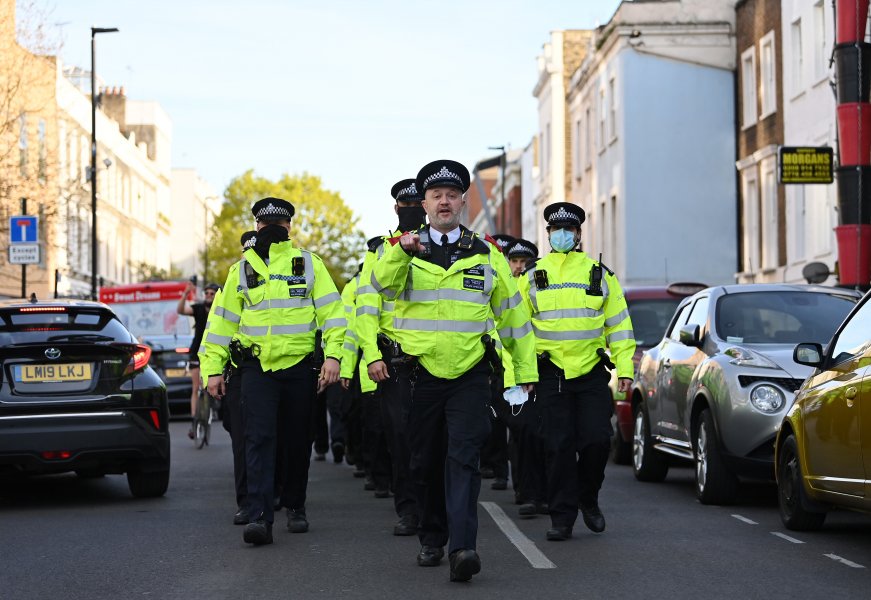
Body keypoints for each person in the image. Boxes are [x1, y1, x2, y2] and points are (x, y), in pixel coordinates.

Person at [371, 160, 537, 582]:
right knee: (423, 460)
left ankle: (463, 548)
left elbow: (512, 318)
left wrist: (525, 369)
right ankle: (432, 537)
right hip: (419, 375)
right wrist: (400, 252)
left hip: (469, 374)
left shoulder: (486, 253)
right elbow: (382, 287)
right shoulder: (402, 250)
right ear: (424, 203)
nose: (444, 201)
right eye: (435, 195)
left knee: (463, 458)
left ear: (463, 201)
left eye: (451, 194)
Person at [200, 197, 344, 546]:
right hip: (256, 369)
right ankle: (260, 516)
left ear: (290, 228)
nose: (273, 231)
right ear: (256, 227)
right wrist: (212, 370)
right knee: (258, 439)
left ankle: (295, 506)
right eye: (267, 226)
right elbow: (219, 325)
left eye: (281, 225)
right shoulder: (241, 271)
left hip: (299, 369)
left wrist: (334, 357)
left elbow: (334, 315)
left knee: (297, 441)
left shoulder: (309, 265)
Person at [516, 202, 635, 541]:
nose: (563, 235)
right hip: (550, 373)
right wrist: (522, 374)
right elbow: (517, 329)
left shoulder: (599, 274)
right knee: (558, 447)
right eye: (557, 230)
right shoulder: (532, 276)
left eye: (569, 230)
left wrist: (625, 368)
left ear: (579, 235)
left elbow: (620, 327)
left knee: (598, 441)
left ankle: (588, 497)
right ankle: (562, 517)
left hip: (591, 373)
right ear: (549, 234)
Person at [354, 178, 428, 535]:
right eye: (406, 205)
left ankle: (437, 506)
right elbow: (365, 307)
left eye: (418, 204)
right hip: (394, 362)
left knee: (436, 438)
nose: (411, 210)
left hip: (437, 357)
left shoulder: (447, 244)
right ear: (396, 209)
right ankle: (410, 510)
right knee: (400, 439)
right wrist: (371, 355)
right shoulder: (380, 251)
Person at [503, 238, 547, 517]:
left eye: (525, 262)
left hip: (543, 369)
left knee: (539, 435)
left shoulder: (539, 285)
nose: (520, 266)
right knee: (521, 435)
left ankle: (537, 493)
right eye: (516, 261)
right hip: (514, 374)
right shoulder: (507, 288)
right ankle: (525, 489)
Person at [479, 233, 515, 491]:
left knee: (509, 423)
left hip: (508, 367)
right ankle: (492, 466)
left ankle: (506, 474)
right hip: (489, 363)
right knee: (490, 422)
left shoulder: (513, 283)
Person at [177, 279, 219, 439]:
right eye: (206, 293)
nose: (208, 295)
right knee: (196, 387)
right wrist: (186, 293)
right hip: (197, 351)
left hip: (215, 351)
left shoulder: (221, 310)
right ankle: (195, 421)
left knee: (211, 383)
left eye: (212, 293)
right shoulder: (198, 308)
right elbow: (180, 310)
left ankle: (212, 404)